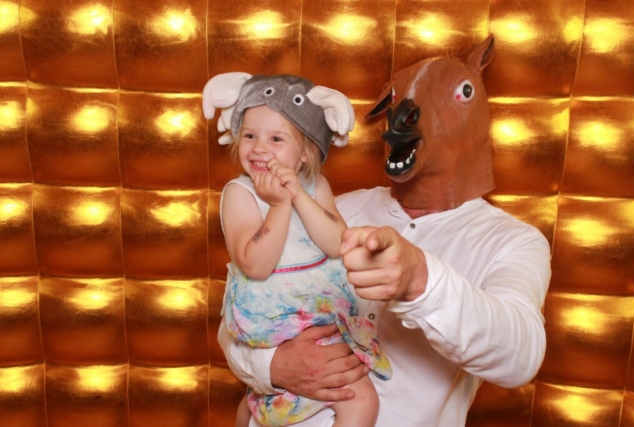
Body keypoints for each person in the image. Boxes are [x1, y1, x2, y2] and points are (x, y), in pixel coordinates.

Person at [217, 35, 552, 427]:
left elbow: (521, 358)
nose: (403, 118)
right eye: (397, 102)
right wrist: (271, 366)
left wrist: (420, 280)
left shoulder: (513, 242)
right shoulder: (333, 209)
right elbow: (240, 316)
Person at [202, 73, 392, 427]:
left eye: (276, 139)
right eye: (249, 136)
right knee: (261, 399)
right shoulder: (239, 194)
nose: (259, 148)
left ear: (304, 153)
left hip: (318, 314)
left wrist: (299, 195)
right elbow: (255, 265)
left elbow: (336, 243)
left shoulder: (316, 184)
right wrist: (278, 204)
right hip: (271, 320)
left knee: (361, 400)